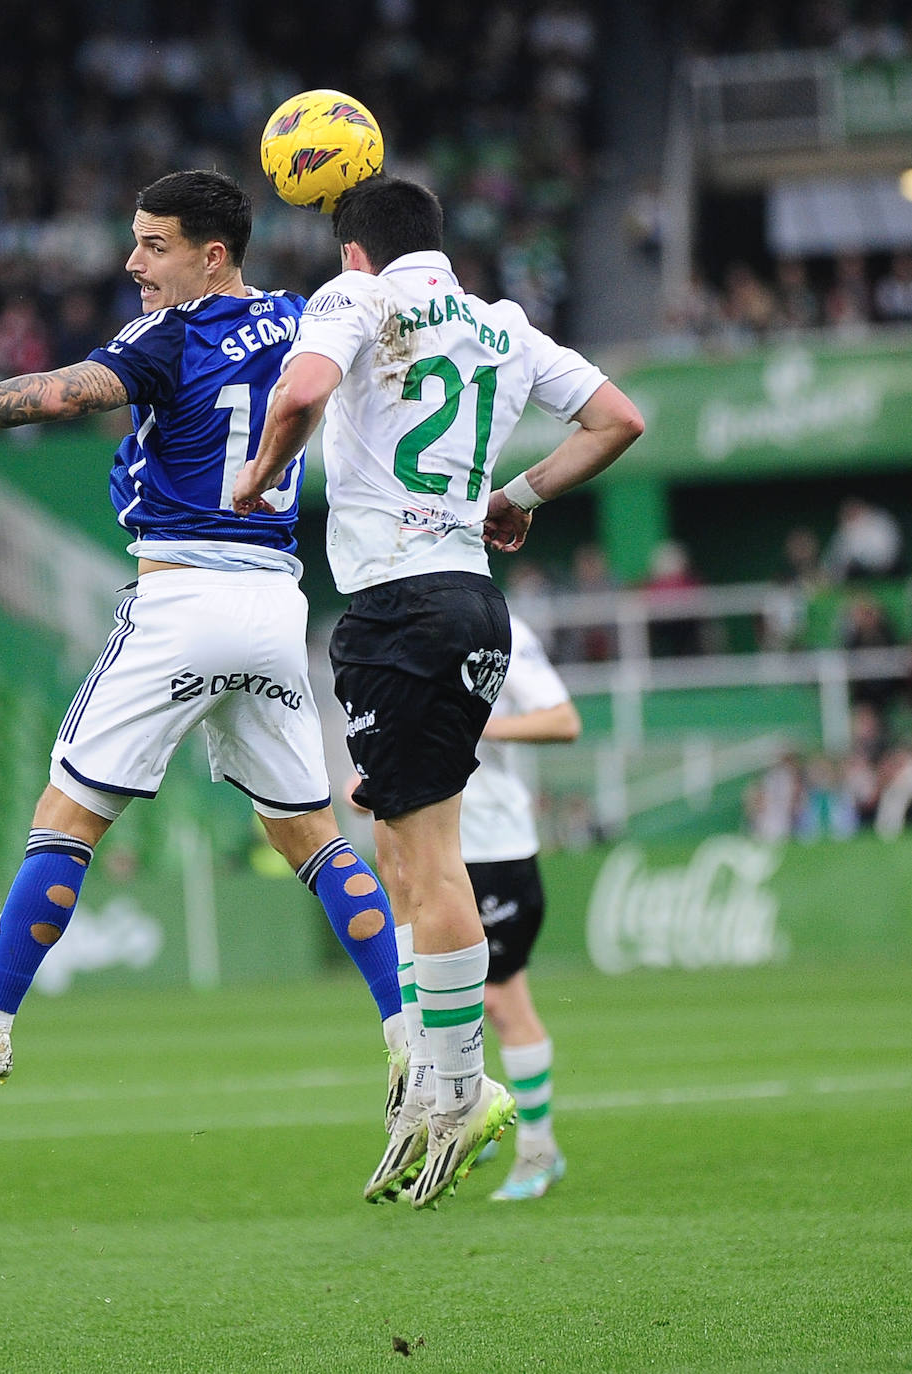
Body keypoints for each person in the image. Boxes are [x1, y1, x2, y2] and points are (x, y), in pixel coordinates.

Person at [0, 170, 404, 1104]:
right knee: (309, 834)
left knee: (66, 817)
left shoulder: (167, 336)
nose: (132, 262)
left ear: (210, 254)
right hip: (274, 605)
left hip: (182, 596)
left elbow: (62, 394)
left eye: (154, 244)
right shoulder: (306, 317)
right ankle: (408, 1035)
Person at [233, 175, 643, 1208]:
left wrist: (259, 474)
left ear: (354, 250)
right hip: (469, 594)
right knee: (397, 846)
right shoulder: (501, 324)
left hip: (396, 606)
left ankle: (454, 1090)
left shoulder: (356, 300)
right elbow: (616, 419)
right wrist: (517, 496)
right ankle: (432, 1071)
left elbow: (300, 392)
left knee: (428, 852)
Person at [460, 612, 580, 1201]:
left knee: (501, 1000)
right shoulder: (386, 618)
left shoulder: (497, 625)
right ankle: (472, 1118)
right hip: (427, 849)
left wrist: (474, 729)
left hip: (493, 848)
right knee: (441, 999)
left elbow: (563, 719)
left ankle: (538, 1149)